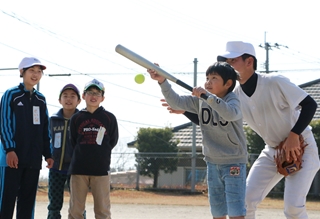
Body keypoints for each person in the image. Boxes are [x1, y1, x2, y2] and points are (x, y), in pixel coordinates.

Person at [168, 41, 320, 219]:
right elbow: (211, 120)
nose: (227, 65)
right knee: (244, 202)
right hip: (272, 150)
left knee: (293, 207)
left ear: (249, 62)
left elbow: (310, 104)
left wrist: (294, 135)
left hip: (301, 147)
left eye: (232, 60)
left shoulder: (274, 81)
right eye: (225, 61)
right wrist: (185, 110)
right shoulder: (234, 96)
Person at [147, 62, 248, 219]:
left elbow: (230, 114)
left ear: (228, 83)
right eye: (207, 77)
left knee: (236, 210)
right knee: (217, 210)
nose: (208, 82)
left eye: (214, 78)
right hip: (212, 162)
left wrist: (208, 97)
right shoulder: (202, 100)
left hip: (234, 162)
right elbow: (176, 102)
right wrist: (162, 81)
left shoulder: (232, 99)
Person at [0, 57, 54, 219]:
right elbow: (4, 124)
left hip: (33, 160)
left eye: (39, 71)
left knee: (27, 202)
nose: (35, 74)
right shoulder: (11, 95)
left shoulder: (41, 99)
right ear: (22, 72)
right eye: (32, 70)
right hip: (12, 159)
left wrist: (48, 154)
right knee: (6, 202)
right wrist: (10, 150)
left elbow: (45, 128)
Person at [68, 79, 119, 219]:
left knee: (102, 210)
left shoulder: (109, 118)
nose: (93, 96)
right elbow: (73, 141)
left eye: (97, 93)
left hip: (101, 169)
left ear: (102, 98)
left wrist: (100, 153)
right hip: (79, 169)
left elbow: (112, 141)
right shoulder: (76, 118)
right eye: (90, 92)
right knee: (75, 210)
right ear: (83, 96)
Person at [47, 84, 82, 219]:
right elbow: (46, 140)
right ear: (59, 100)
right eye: (65, 96)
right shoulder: (53, 120)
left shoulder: (82, 120)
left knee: (78, 205)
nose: (69, 99)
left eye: (73, 96)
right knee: (54, 205)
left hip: (77, 171)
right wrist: (48, 156)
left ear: (78, 101)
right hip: (56, 169)